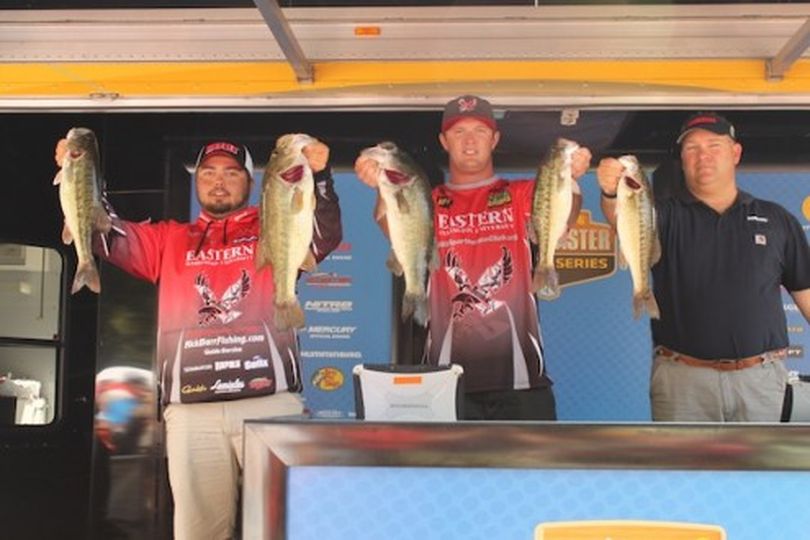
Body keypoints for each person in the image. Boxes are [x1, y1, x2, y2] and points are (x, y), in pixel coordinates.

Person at [55, 137, 342, 539]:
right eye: (208, 173)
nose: (218, 182)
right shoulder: (168, 239)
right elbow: (102, 231)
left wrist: (321, 176)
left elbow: (321, 236)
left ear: (250, 181)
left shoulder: (273, 225)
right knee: (198, 532)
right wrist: (79, 171)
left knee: (288, 525)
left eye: (231, 173)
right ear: (197, 181)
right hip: (192, 411)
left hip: (271, 402)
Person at [355, 95, 591, 420]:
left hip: (521, 379)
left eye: (479, 131)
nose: (469, 141)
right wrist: (380, 184)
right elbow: (390, 222)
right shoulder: (427, 198)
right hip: (446, 379)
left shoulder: (520, 193)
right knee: (451, 473)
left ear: (494, 139)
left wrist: (571, 177)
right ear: (443, 141)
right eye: (458, 132)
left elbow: (562, 219)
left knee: (529, 473)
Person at [597, 111, 810, 422]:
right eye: (692, 148)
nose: (703, 156)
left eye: (714, 146)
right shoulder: (664, 216)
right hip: (682, 381)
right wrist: (610, 191)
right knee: (685, 471)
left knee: (757, 471)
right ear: (682, 159)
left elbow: (806, 294)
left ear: (735, 153)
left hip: (760, 381)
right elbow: (621, 215)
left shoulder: (776, 219)